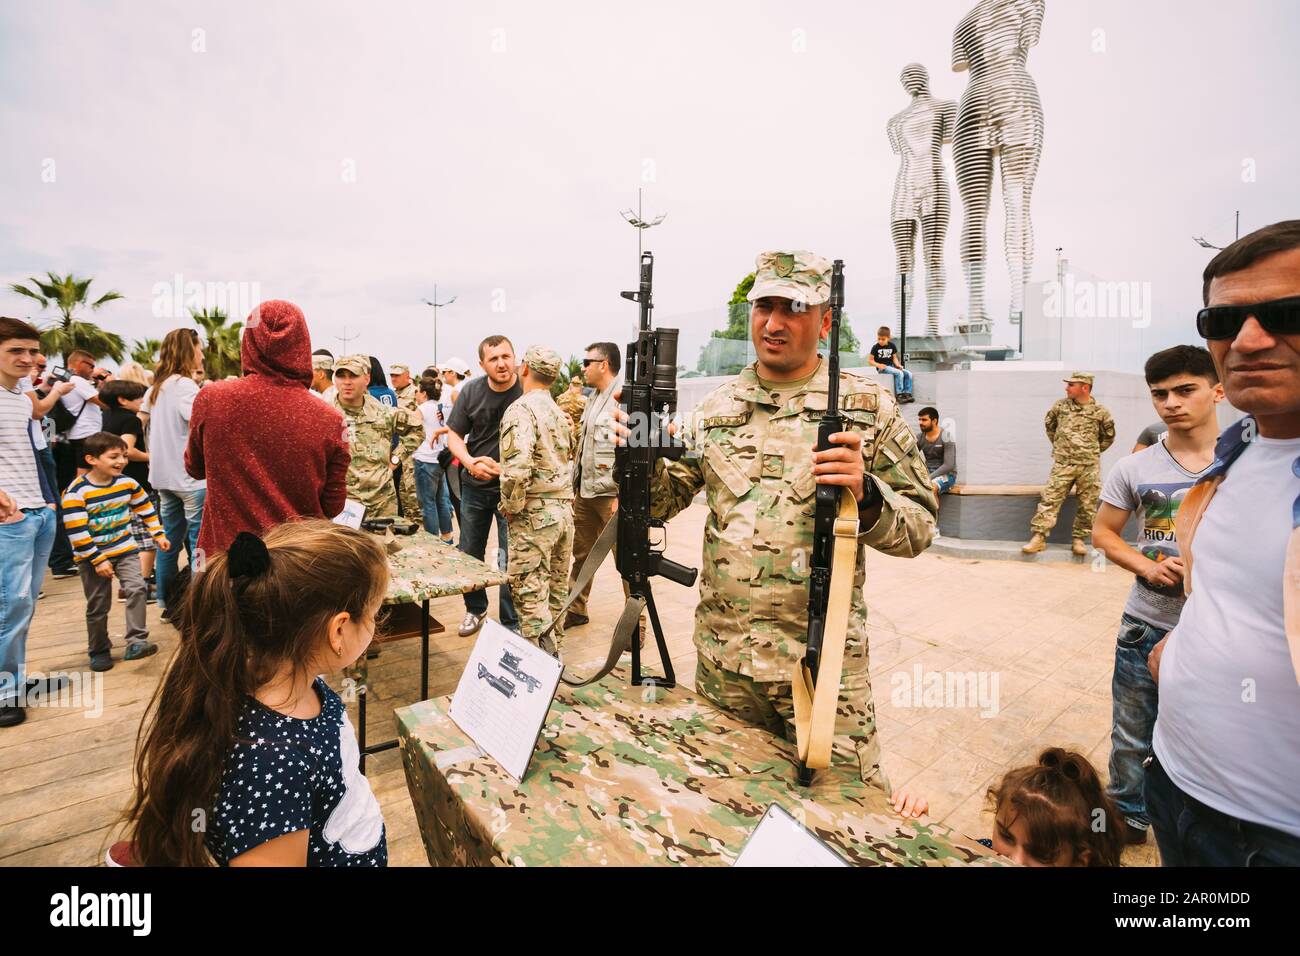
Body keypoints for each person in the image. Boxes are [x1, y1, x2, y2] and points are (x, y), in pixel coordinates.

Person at [632, 251, 937, 789]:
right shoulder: (717, 407)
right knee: (726, 810)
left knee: (845, 822)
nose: (773, 324)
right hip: (725, 667)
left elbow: (921, 528)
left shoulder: (867, 409)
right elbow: (663, 501)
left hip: (823, 672)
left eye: (792, 308)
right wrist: (634, 461)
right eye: (763, 306)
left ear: (824, 321)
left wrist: (865, 495)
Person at [1145, 220, 1300, 866]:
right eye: (1225, 321)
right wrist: (1177, 652)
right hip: (1178, 792)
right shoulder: (1237, 454)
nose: (1249, 340)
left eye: (1285, 313)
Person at [122, 521, 390, 866]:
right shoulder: (273, 765)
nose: (376, 624)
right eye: (373, 613)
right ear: (338, 630)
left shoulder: (294, 683)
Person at [1091, 346, 1221, 847]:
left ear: (1217, 390)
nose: (1171, 403)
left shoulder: (1246, 462)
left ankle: (1201, 823)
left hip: (1217, 632)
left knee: (1210, 731)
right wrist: (1146, 566)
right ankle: (1127, 820)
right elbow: (1104, 533)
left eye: (1185, 390)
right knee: (1130, 734)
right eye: (1160, 394)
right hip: (1146, 623)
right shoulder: (1134, 468)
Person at [185, 300, 352, 554]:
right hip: (296, 562)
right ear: (302, 345)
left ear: (248, 342)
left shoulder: (211, 399)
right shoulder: (331, 419)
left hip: (223, 559)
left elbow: (195, 468)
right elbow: (333, 505)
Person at [890, 747, 1125, 866]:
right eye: (1005, 835)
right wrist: (918, 826)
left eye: (1040, 854)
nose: (1014, 861)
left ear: (1079, 861)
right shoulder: (982, 852)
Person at [0, 318, 65, 727]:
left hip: (38, 511)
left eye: (31, 351)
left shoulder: (20, 394)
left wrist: (47, 504)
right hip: (11, 518)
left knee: (22, 604)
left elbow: (37, 416)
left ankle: (16, 680)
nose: (27, 359)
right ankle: (5, 692)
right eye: (15, 351)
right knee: (12, 605)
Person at [63, 432, 170, 671]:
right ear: (92, 459)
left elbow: (146, 509)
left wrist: (158, 534)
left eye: (123, 456)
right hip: (91, 557)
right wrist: (97, 559)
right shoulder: (76, 492)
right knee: (98, 603)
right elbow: (76, 531)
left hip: (125, 549)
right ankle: (99, 648)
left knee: (136, 588)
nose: (121, 461)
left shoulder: (127, 484)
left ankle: (137, 641)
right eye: (113, 457)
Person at [443, 336, 522, 637]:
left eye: (506, 356)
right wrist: (469, 461)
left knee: (510, 555)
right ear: (481, 364)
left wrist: (506, 470)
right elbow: (453, 435)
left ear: (515, 357)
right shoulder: (471, 391)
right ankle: (475, 609)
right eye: (493, 359)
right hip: (475, 486)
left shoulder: (527, 391)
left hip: (511, 489)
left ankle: (511, 622)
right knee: (469, 551)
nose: (501, 363)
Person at [499, 347, 574, 654]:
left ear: (525, 369)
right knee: (556, 591)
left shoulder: (521, 409)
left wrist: (511, 506)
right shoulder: (558, 411)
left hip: (535, 516)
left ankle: (540, 669)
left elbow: (517, 470)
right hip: (563, 511)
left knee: (530, 595)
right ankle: (555, 656)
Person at [142, 328, 206, 618]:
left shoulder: (157, 386)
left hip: (163, 477)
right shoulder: (184, 386)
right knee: (199, 545)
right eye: (198, 348)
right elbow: (201, 422)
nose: (202, 354)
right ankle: (198, 607)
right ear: (187, 350)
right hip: (189, 479)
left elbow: (142, 421)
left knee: (167, 542)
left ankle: (167, 603)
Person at [1022, 372, 1115, 556]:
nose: (1067, 388)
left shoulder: (1100, 412)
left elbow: (1108, 437)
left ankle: (1079, 540)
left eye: (1071, 385)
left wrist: (1090, 451)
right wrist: (1062, 448)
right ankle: (1038, 538)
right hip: (1063, 464)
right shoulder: (1060, 406)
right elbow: (1050, 426)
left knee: (1087, 504)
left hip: (1089, 466)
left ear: (1085, 387)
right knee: (1050, 499)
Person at [564, 341, 624, 629]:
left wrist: (624, 496)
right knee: (582, 554)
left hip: (612, 496)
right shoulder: (592, 398)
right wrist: (576, 489)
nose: (582, 367)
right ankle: (576, 609)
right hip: (587, 493)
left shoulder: (625, 398)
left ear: (604, 364)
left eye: (587, 362)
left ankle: (634, 626)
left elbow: (638, 451)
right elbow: (584, 447)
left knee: (626, 562)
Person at [331, 355, 422, 519]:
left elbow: (417, 429)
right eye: (341, 376)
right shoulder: (325, 414)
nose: (347, 382)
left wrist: (395, 460)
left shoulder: (383, 412)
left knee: (382, 544)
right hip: (341, 503)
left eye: (353, 375)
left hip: (381, 503)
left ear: (366, 378)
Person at [100, 379, 159, 596]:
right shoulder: (130, 420)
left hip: (114, 483)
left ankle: (128, 583)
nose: (143, 401)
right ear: (123, 400)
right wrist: (153, 456)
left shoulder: (106, 416)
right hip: (137, 482)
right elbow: (127, 449)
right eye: (138, 398)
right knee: (147, 537)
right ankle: (140, 585)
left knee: (130, 535)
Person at [23, 353, 78, 578]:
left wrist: (45, 389)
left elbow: (44, 419)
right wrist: (56, 392)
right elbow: (39, 411)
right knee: (50, 503)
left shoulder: (30, 384)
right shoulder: (22, 379)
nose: (38, 369)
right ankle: (60, 561)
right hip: (35, 448)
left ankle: (59, 560)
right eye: (40, 365)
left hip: (42, 443)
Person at [412, 375, 455, 543]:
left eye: (417, 391)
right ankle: (447, 536)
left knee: (427, 502)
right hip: (439, 459)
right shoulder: (440, 407)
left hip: (425, 459)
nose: (416, 394)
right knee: (441, 500)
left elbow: (411, 429)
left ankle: (432, 540)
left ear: (423, 393)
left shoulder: (422, 409)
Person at [57, 349, 107, 482]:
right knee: (85, 473)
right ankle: (80, 499)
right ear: (79, 363)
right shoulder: (77, 380)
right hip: (86, 433)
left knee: (83, 471)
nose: (93, 369)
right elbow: (102, 403)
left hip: (76, 433)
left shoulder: (66, 379)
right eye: (91, 365)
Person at [389, 363, 422, 524]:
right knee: (402, 493)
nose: (393, 378)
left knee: (413, 495)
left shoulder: (415, 393)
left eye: (397, 375)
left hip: (413, 452)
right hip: (399, 450)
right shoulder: (393, 395)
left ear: (407, 375)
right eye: (392, 375)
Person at [915, 406, 957, 496]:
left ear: (934, 421)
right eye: (919, 419)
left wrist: (929, 478)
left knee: (932, 488)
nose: (920, 423)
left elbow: (949, 465)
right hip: (927, 473)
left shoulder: (946, 437)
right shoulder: (919, 437)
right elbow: (910, 456)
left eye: (924, 420)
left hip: (947, 475)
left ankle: (934, 511)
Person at [870, 326, 914, 403]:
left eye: (883, 339)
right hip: (883, 368)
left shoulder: (892, 346)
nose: (880, 341)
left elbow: (894, 358)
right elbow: (870, 360)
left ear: (888, 338)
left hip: (892, 366)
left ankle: (907, 393)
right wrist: (878, 365)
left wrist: (898, 365)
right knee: (899, 373)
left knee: (908, 374)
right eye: (879, 339)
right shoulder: (875, 347)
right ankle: (899, 395)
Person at [555, 375, 587, 454]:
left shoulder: (561, 398)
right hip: (579, 430)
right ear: (581, 387)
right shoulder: (584, 400)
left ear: (570, 385)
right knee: (578, 455)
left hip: (565, 428)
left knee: (563, 455)